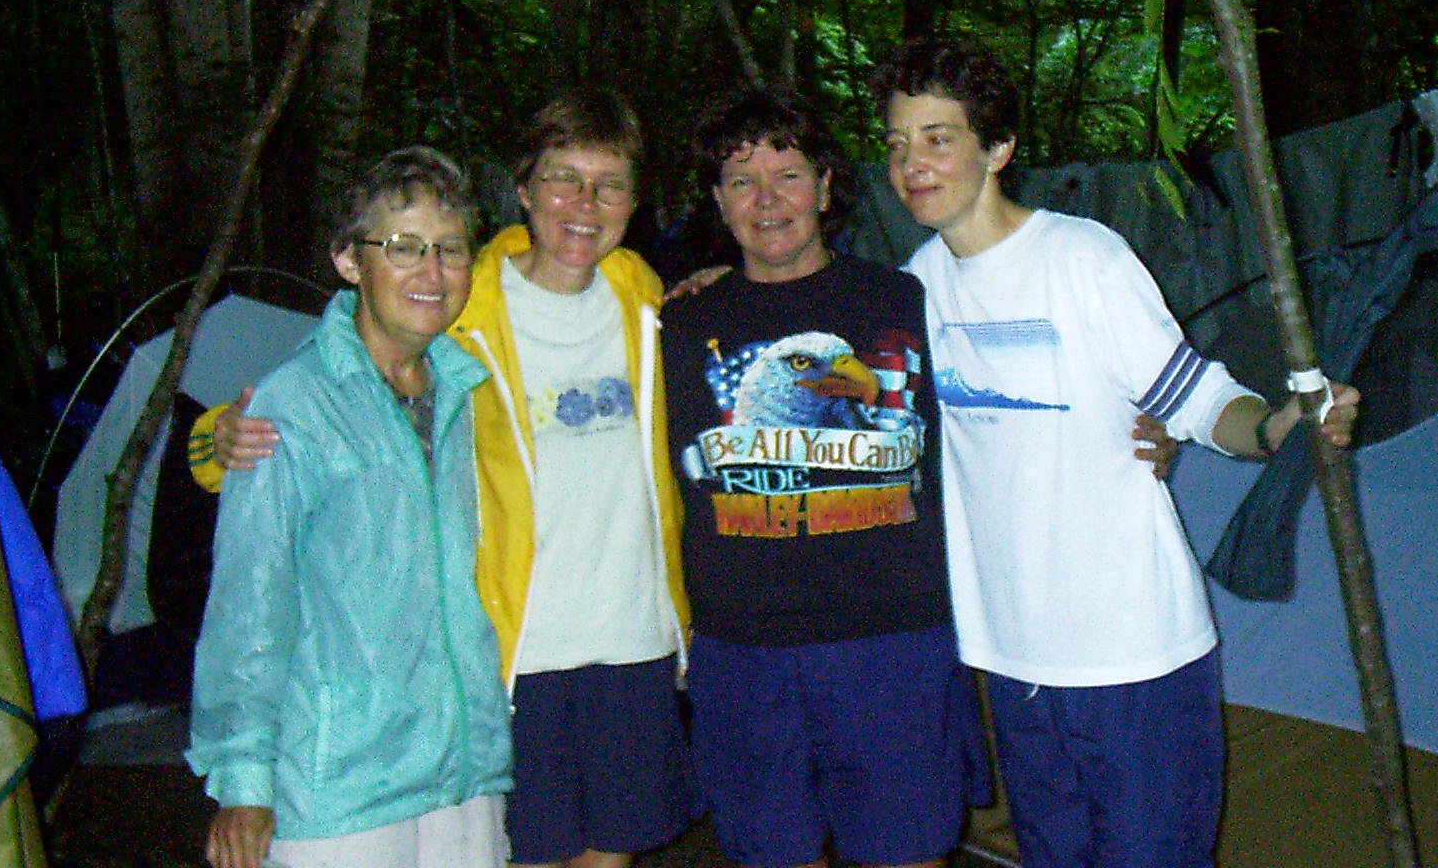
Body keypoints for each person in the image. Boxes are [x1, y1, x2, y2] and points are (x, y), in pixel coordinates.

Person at [873, 36, 1361, 868]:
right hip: (1011, 655)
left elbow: (1198, 400)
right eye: (897, 144)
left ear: (998, 148)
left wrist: (1277, 428)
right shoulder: (917, 285)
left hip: (1132, 653)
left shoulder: (1082, 257)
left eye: (937, 138)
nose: (912, 164)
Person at [196, 91, 694, 868]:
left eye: (610, 185)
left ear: (636, 201)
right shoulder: (466, 307)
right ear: (522, 189)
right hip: (510, 650)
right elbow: (320, 391)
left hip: (623, 645)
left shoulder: (644, 296)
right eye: (563, 179)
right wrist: (212, 440)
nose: (585, 204)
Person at [659, 87, 988, 868]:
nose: (767, 200)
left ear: (827, 186)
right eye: (742, 181)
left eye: (789, 176)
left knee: (909, 854)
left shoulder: (906, 298)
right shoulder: (677, 324)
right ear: (718, 200)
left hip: (892, 641)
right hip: (743, 652)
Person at [186, 147, 511, 868]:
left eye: (451, 249)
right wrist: (244, 779)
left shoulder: (472, 394)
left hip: (464, 772)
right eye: (403, 247)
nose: (431, 272)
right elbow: (249, 603)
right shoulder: (292, 405)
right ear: (349, 261)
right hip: (338, 785)